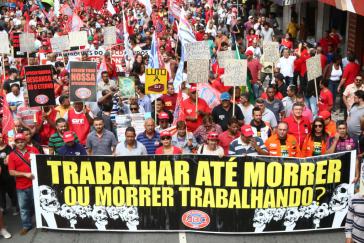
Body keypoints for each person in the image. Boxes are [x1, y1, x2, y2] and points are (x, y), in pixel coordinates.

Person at [8, 133, 39, 235]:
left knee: (38, 205)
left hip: (35, 184)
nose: (20, 143)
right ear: (15, 143)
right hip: (21, 186)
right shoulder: (12, 155)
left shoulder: (33, 150)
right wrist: (25, 174)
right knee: (24, 208)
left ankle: (41, 223)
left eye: (22, 141)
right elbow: (11, 172)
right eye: (18, 142)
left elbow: (41, 162)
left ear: (25, 141)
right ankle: (27, 226)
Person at [0, 133, 17, 215]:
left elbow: (10, 157)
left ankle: (14, 207)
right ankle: (2, 208)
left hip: (7, 173)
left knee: (11, 191)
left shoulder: (8, 147)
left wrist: (8, 160)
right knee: (1, 193)